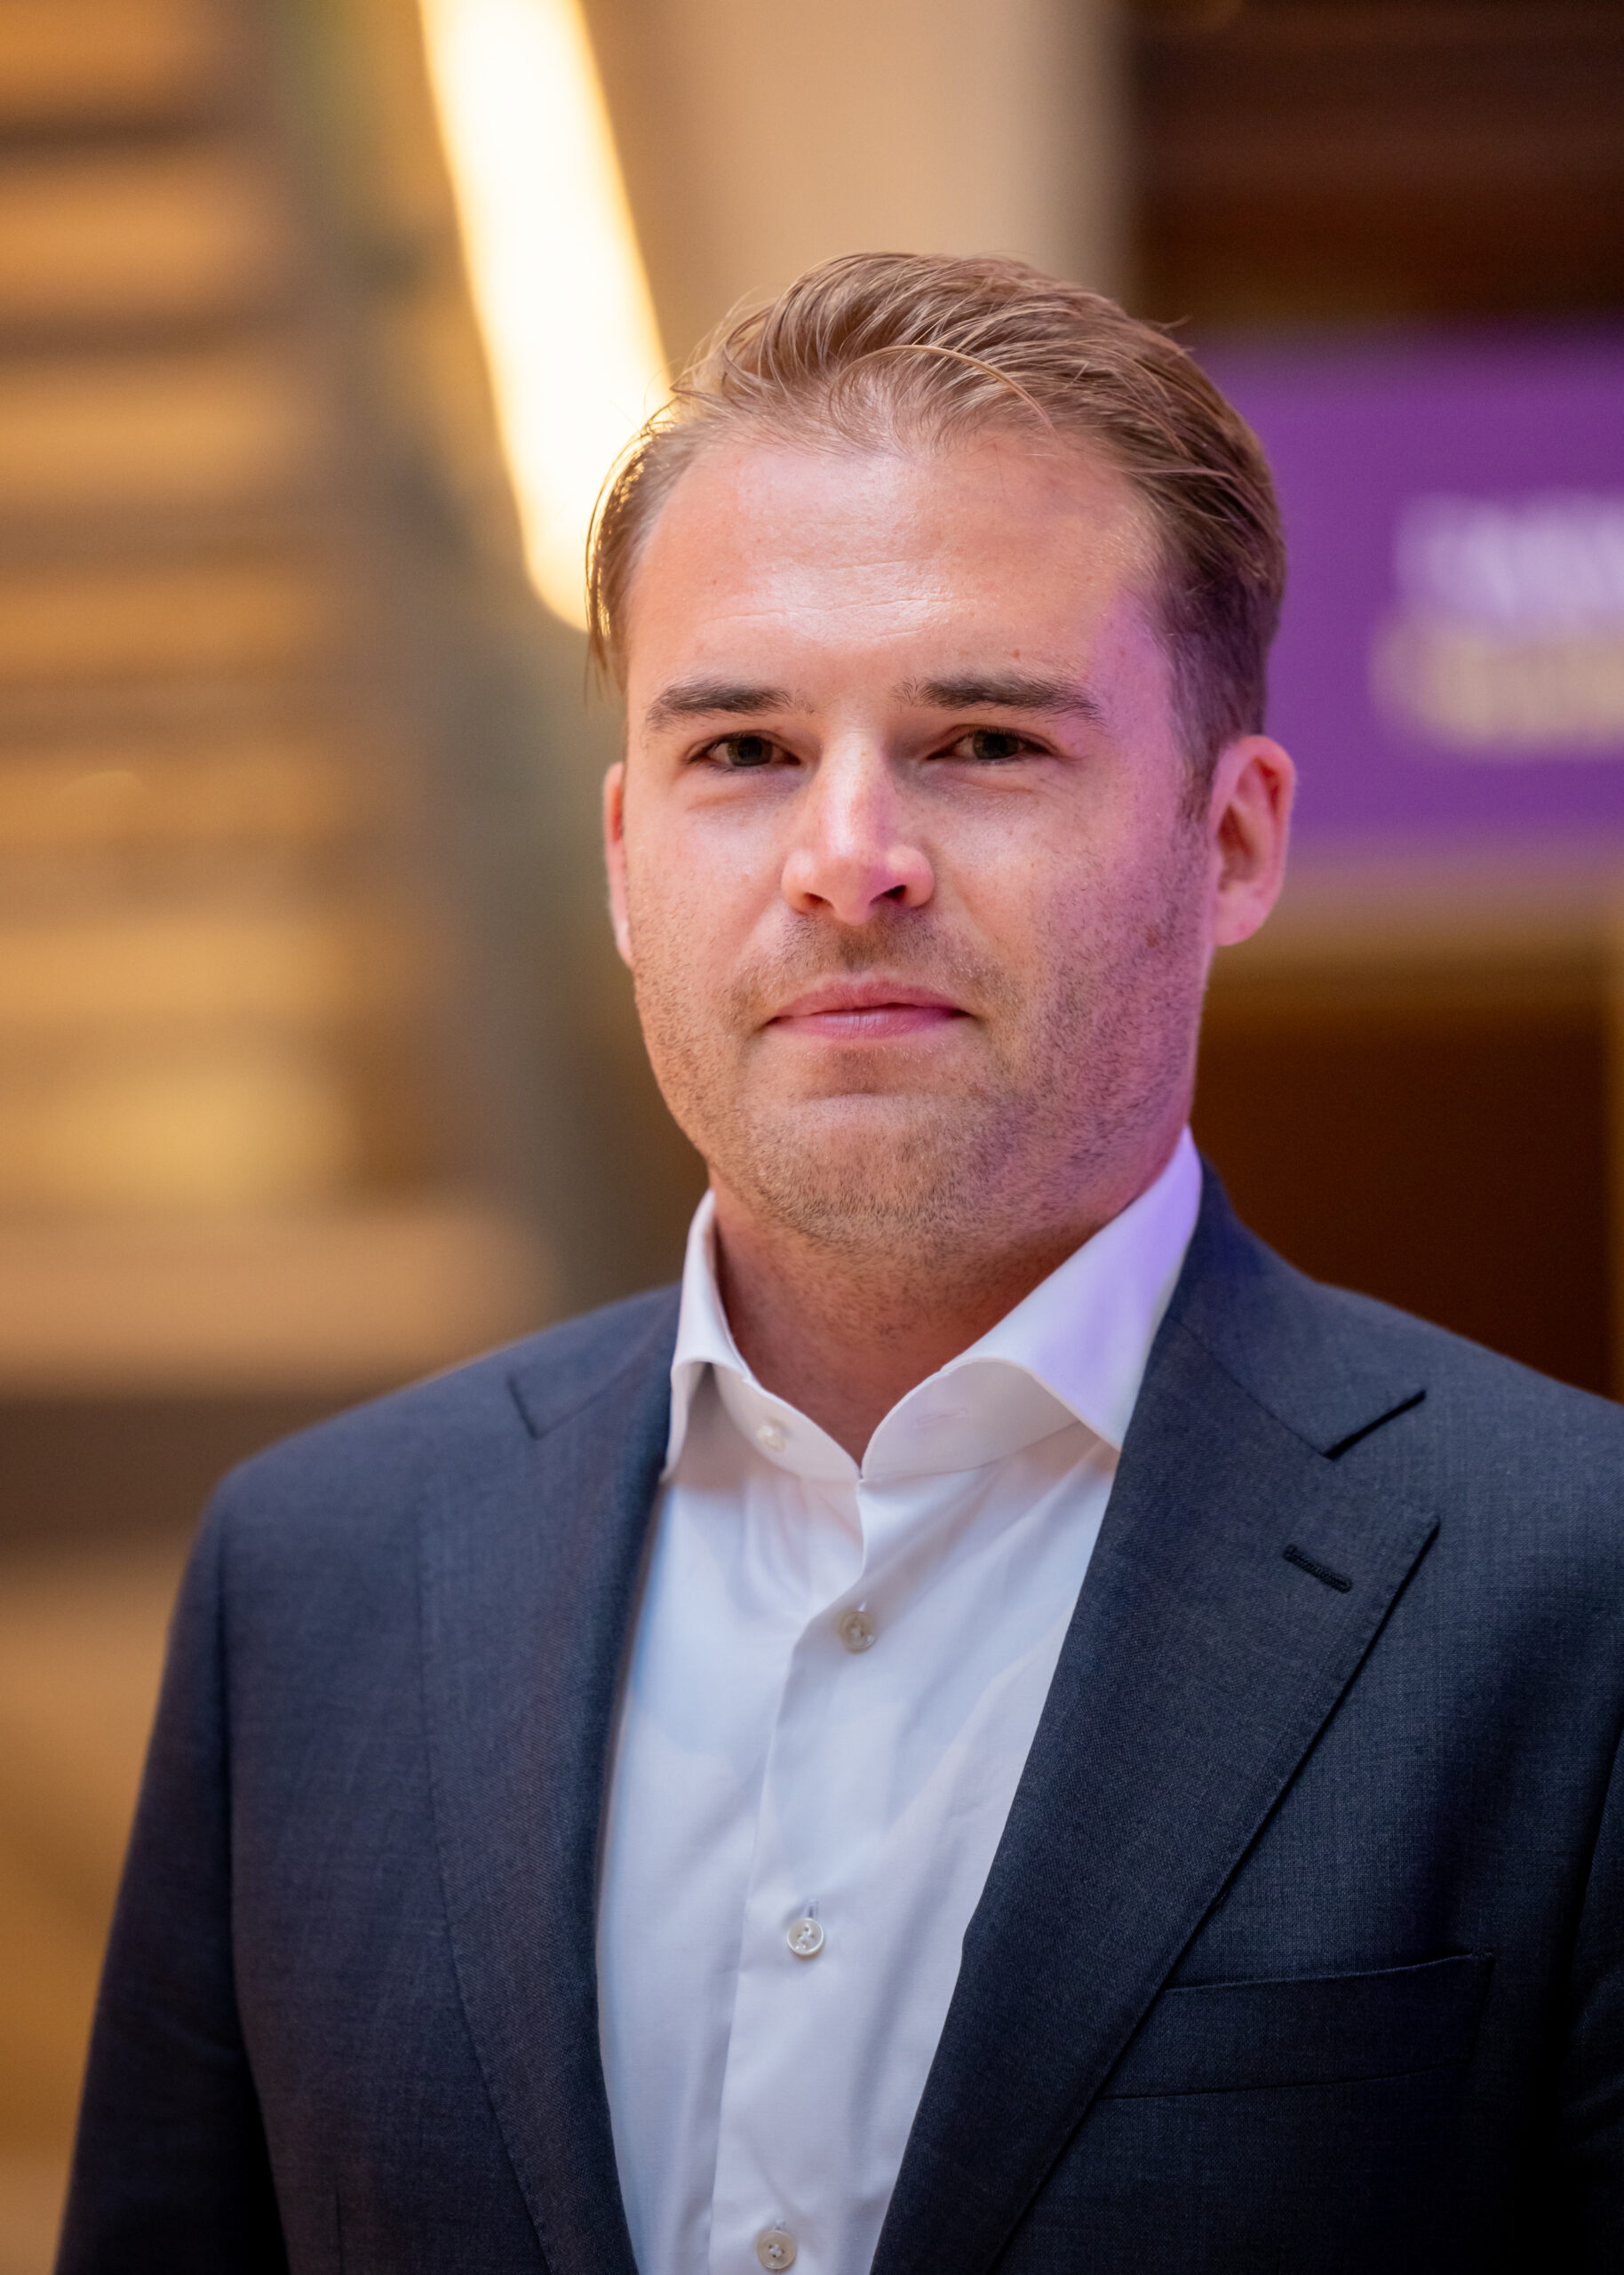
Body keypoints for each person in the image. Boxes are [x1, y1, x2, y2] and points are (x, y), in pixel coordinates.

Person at [59, 254, 1623, 2275]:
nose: (847, 856)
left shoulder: (1569, 1596)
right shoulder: (314, 1582)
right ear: (623, 858)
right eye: (742, 751)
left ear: (1231, 840)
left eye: (981, 739)